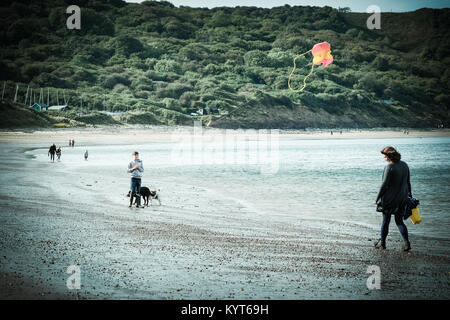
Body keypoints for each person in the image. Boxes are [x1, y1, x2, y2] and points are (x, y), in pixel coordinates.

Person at [374, 146, 411, 251]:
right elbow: (408, 182)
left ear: (389, 156)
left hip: (389, 199)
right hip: (402, 198)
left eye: (385, 156)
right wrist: (410, 195)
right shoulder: (404, 165)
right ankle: (407, 243)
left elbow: (384, 185)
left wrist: (377, 198)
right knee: (399, 221)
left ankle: (383, 244)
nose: (384, 158)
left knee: (385, 221)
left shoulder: (389, 167)